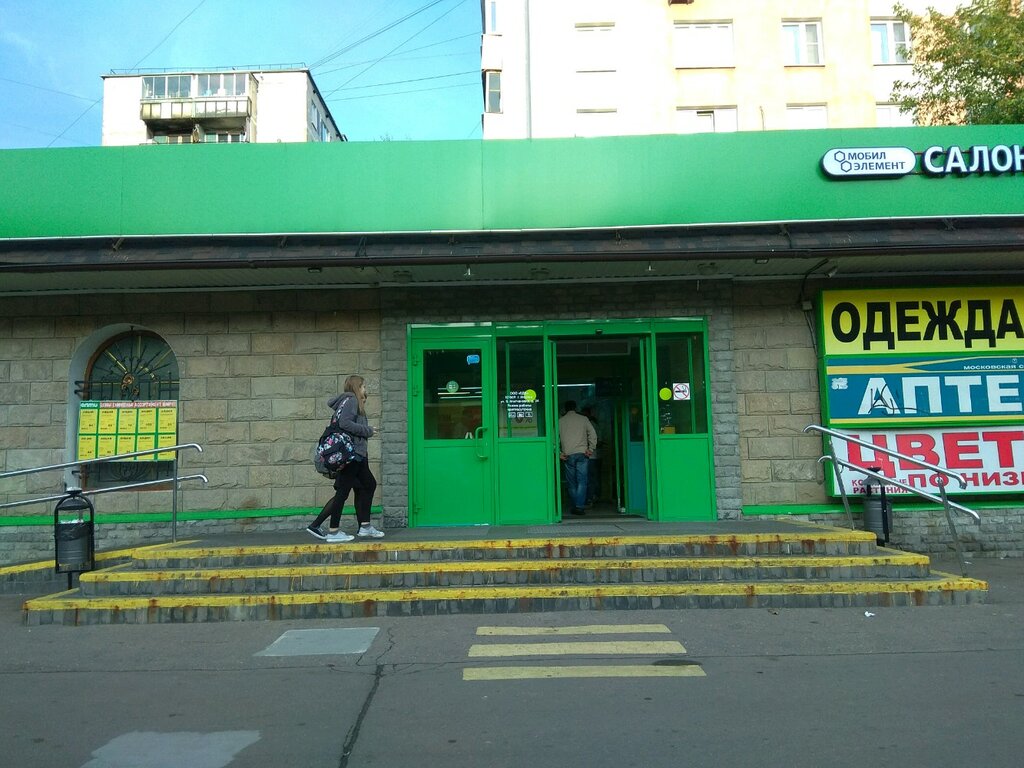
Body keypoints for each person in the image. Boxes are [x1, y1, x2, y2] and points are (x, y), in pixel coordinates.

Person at [307, 375, 384, 542]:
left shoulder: (351, 402)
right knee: (343, 492)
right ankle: (332, 531)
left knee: (368, 484)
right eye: (363, 386)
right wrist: (368, 430)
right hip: (351, 454)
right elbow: (345, 423)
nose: (365, 389)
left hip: (357, 454)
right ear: (357, 387)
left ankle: (364, 526)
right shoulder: (351, 401)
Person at [558, 400, 597, 516]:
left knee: (571, 483)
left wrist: (558, 452)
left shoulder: (560, 421)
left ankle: (575, 505)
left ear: (565, 409)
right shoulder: (583, 419)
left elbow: (553, 438)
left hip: (567, 455)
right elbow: (593, 434)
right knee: (582, 481)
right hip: (582, 454)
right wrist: (591, 448)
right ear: (575, 408)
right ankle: (579, 506)